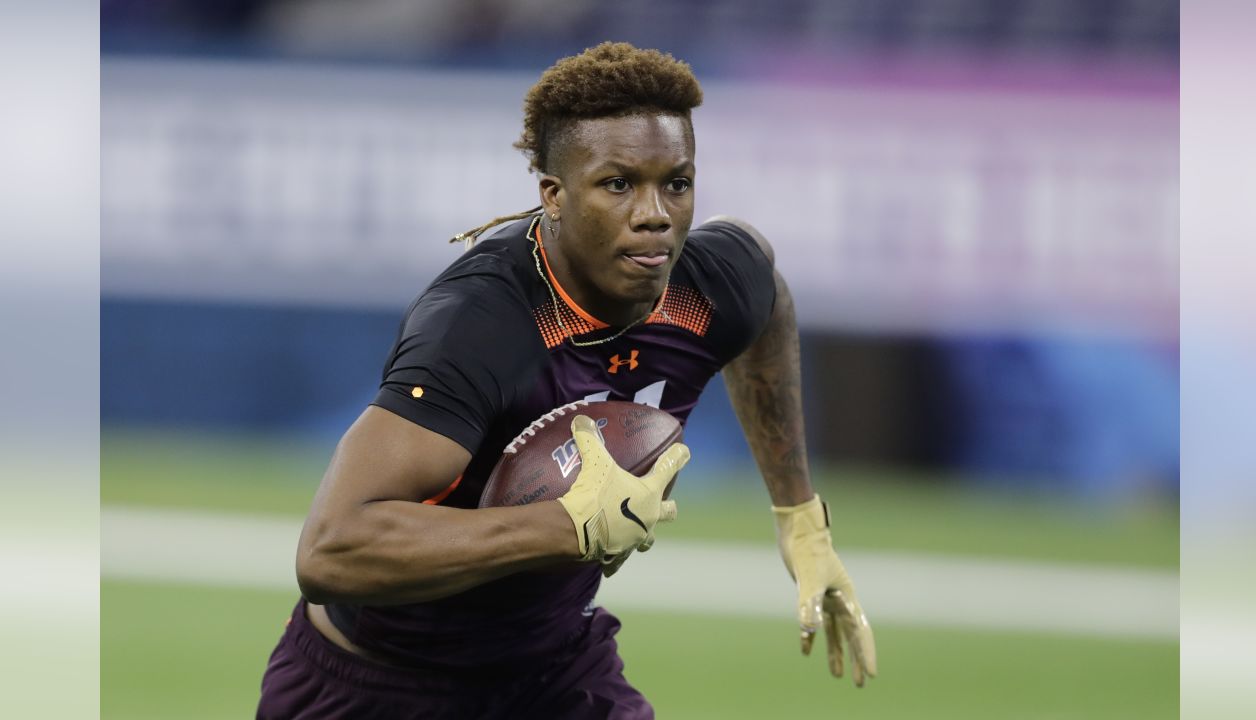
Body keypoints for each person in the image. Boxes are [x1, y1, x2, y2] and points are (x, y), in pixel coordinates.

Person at [257, 41, 876, 719]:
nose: (655, 214)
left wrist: (800, 520)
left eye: (677, 181)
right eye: (618, 184)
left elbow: (769, 305)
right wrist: (563, 528)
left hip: (551, 673)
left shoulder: (705, 291)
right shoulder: (485, 325)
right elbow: (330, 549)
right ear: (553, 194)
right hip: (375, 685)